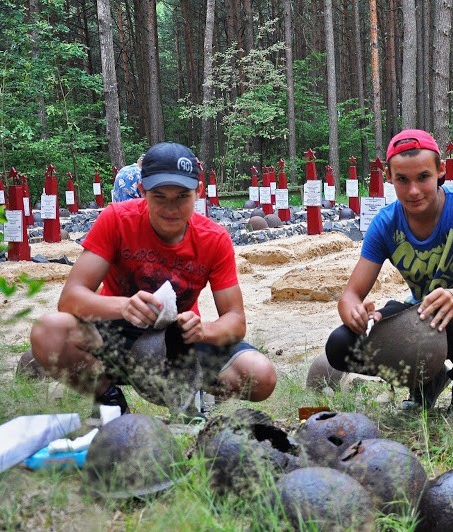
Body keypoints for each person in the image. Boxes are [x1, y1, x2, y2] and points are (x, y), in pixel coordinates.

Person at [30, 142, 277, 415]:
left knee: (261, 375)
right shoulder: (116, 219)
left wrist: (203, 331)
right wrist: (123, 306)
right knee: (49, 330)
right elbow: (70, 297)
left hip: (179, 342)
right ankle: (109, 399)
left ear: (199, 192)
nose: (171, 208)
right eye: (160, 196)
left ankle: (194, 394)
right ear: (142, 192)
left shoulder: (214, 238)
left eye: (182, 196)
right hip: (117, 333)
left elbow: (235, 319)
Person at [325, 129, 453, 412]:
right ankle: (427, 380)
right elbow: (350, 295)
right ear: (389, 177)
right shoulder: (385, 223)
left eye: (423, 177)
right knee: (339, 345)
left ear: (440, 172)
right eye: (402, 179)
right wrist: (355, 313)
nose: (413, 191)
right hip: (421, 312)